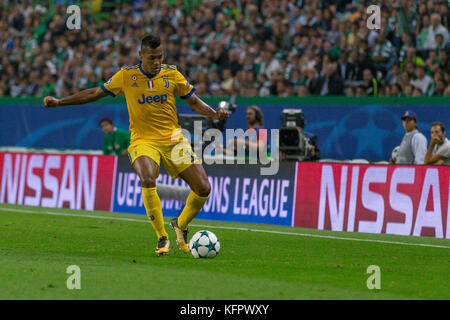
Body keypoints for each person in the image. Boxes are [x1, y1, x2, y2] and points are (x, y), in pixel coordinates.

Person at [43, 35, 229, 256]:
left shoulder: (172, 74)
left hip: (174, 140)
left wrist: (214, 113)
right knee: (148, 178)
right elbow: (95, 93)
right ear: (141, 55)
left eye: (160, 57)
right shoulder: (126, 75)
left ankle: (180, 223)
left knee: (203, 188)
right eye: (152, 58)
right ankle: (162, 237)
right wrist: (60, 101)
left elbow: (194, 101)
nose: (157, 62)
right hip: (143, 140)